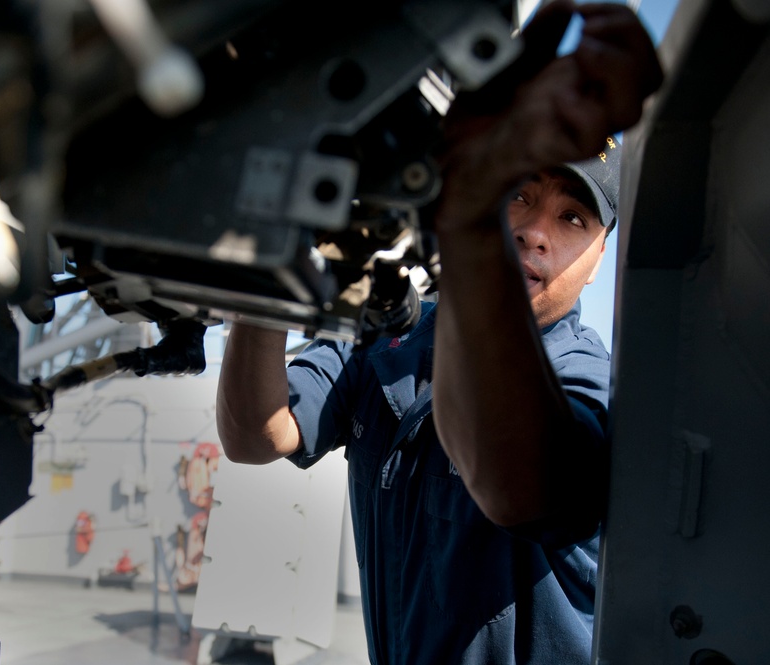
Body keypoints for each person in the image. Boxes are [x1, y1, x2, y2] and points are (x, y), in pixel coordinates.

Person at [215, 2, 663, 663]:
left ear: (599, 262)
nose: (535, 230)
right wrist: (266, 274)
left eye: (573, 219)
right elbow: (258, 433)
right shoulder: (386, 331)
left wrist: (470, 213)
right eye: (519, 193)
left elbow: (517, 484)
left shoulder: (580, 373)